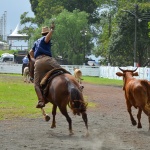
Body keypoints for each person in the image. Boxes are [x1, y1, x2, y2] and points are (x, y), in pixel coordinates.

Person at [29, 23, 61, 108]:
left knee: (36, 84)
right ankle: (78, 85)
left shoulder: (36, 42)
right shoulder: (45, 39)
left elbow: (30, 52)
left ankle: (41, 101)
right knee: (62, 71)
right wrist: (52, 30)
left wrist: (34, 60)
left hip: (38, 62)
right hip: (47, 60)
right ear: (46, 33)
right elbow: (47, 39)